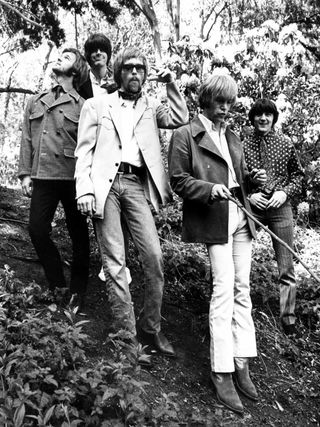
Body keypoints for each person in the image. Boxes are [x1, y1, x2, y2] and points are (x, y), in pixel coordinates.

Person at [75, 46, 189, 358]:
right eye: (129, 68)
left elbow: (180, 117)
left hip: (137, 185)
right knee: (115, 262)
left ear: (145, 74)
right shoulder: (97, 105)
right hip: (106, 186)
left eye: (140, 68)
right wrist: (84, 190)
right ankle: (125, 337)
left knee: (154, 258)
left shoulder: (152, 106)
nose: (135, 73)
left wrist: (171, 84)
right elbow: (83, 151)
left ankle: (151, 329)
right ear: (119, 73)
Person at [168, 73, 266, 414]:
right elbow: (178, 181)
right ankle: (221, 369)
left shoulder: (234, 137)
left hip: (241, 218)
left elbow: (237, 176)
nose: (226, 108)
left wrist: (251, 179)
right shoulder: (186, 135)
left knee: (243, 288)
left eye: (230, 103)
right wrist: (209, 190)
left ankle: (242, 361)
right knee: (223, 289)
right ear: (206, 102)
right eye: (220, 102)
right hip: (214, 220)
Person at [18, 48, 90, 310]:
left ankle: (79, 292)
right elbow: (27, 138)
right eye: (59, 55)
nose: (59, 58)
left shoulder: (84, 106)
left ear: (75, 70)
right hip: (44, 176)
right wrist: (25, 174)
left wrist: (89, 184)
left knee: (79, 237)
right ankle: (58, 285)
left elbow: (90, 147)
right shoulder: (37, 101)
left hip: (73, 178)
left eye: (67, 57)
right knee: (36, 230)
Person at [243, 98, 304, 335]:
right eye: (259, 115)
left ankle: (288, 320)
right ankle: (240, 309)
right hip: (254, 207)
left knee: (286, 265)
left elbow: (298, 177)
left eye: (268, 114)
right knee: (239, 258)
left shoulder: (286, 143)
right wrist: (249, 195)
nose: (263, 118)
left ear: (274, 118)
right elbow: (235, 177)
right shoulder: (243, 145)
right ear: (252, 118)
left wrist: (284, 192)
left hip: (280, 208)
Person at [78, 33, 117, 99]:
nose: (98, 53)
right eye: (94, 50)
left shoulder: (117, 80)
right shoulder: (80, 81)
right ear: (89, 55)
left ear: (108, 54)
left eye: (102, 50)